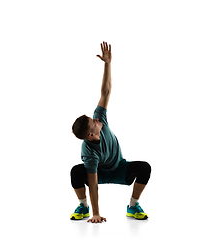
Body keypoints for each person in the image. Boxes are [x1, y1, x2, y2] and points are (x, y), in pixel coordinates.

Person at [70, 42, 151, 223]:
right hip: (99, 173)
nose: (96, 119)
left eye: (94, 119)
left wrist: (107, 64)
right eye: (93, 122)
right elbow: (92, 185)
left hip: (120, 168)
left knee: (144, 167)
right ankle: (83, 207)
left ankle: (132, 206)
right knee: (76, 172)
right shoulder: (89, 153)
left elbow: (105, 92)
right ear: (90, 135)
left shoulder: (101, 119)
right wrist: (96, 213)